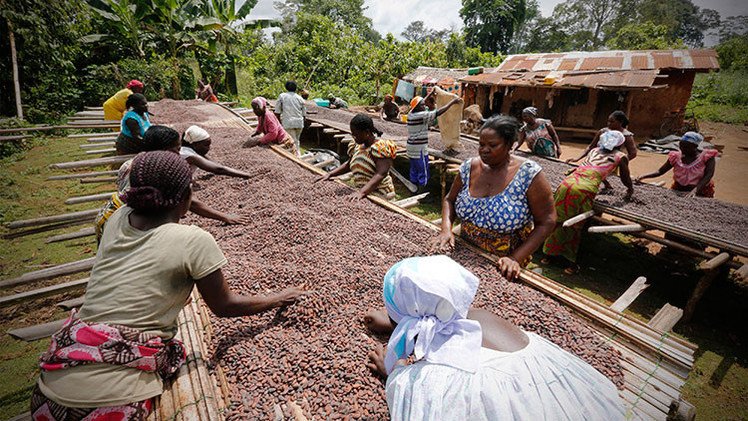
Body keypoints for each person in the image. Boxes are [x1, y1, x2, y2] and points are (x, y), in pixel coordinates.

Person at [33, 151, 305, 420]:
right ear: (186, 196)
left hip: (49, 389)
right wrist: (280, 297)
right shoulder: (193, 240)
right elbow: (224, 306)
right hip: (109, 404)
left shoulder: (117, 218)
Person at [364, 255, 625, 421]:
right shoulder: (479, 317)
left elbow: (413, 396)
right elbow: (436, 321)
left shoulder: (439, 374)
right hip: (568, 400)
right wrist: (395, 323)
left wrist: (394, 371)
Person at [434, 116, 556, 281]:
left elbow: (547, 221)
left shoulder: (529, 174)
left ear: (509, 145)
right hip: (465, 249)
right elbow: (450, 199)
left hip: (504, 262)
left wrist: (515, 258)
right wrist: (446, 229)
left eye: (492, 145)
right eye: (481, 145)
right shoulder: (469, 167)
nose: (484, 150)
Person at [96, 126, 249, 242]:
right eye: (176, 149)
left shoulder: (132, 162)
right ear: (163, 150)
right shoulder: (157, 171)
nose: (178, 153)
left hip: (111, 215)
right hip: (123, 227)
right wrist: (225, 217)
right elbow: (190, 202)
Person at [543, 130, 634, 274]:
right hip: (584, 190)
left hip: (567, 183)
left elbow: (592, 168)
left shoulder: (595, 151)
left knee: (558, 220)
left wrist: (607, 184)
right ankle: (570, 264)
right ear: (621, 144)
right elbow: (625, 177)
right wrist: (630, 189)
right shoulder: (621, 157)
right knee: (575, 226)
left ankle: (547, 256)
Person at [315, 114, 397, 200]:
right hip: (362, 190)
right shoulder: (357, 146)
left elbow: (381, 174)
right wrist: (330, 174)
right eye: (352, 134)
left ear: (367, 132)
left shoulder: (380, 148)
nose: (354, 137)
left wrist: (362, 192)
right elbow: (349, 164)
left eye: (356, 134)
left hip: (380, 193)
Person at [406, 91, 463, 189]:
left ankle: (413, 188)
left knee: (414, 169)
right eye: (423, 105)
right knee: (423, 170)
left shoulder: (411, 114)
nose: (425, 106)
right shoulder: (421, 116)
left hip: (411, 148)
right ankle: (423, 191)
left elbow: (421, 102)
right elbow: (438, 112)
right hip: (419, 149)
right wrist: (452, 102)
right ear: (418, 107)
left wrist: (431, 92)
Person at [635, 131, 718, 198]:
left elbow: (708, 175)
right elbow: (660, 171)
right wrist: (643, 176)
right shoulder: (676, 156)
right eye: (681, 146)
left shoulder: (706, 157)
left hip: (700, 191)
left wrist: (695, 191)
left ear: (695, 146)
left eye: (686, 147)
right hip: (678, 189)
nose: (682, 149)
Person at [181, 125, 252, 178]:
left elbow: (213, 164)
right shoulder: (189, 155)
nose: (208, 148)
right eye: (206, 145)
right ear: (195, 145)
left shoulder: (189, 150)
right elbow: (219, 169)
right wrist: (247, 175)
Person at [568, 111, 637, 163]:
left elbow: (633, 154)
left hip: (612, 162)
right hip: (596, 160)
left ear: (620, 122)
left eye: (612, 122)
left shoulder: (626, 136)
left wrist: (617, 162)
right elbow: (591, 147)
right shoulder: (603, 131)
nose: (609, 124)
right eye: (608, 121)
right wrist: (577, 159)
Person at [276, 81, 306, 153]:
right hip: (299, 123)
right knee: (296, 141)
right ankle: (297, 155)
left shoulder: (282, 96)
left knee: (292, 142)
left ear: (286, 88)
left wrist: (278, 123)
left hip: (288, 122)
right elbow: (304, 114)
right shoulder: (300, 98)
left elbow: (277, 112)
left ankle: (296, 157)